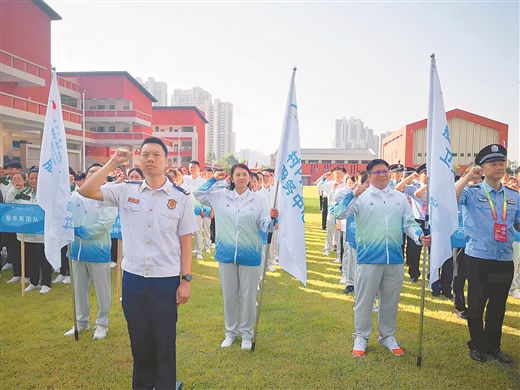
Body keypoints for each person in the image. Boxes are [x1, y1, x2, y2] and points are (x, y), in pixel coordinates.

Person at [79, 137, 198, 389]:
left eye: (156, 154)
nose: (150, 159)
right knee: (139, 341)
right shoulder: (125, 191)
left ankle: (165, 385)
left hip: (165, 281)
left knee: (165, 341)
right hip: (133, 280)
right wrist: (112, 162)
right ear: (139, 159)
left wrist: (185, 280)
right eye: (145, 154)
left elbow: (185, 241)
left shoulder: (181, 198)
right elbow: (86, 190)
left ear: (167, 161)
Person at [335, 159, 430, 358]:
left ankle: (387, 336)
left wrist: (419, 236)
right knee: (364, 300)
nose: (382, 175)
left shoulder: (400, 197)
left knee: (390, 300)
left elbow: (409, 222)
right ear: (369, 176)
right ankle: (361, 335)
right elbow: (340, 214)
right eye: (377, 172)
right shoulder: (361, 196)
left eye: (385, 171)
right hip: (368, 257)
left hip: (394, 257)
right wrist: (353, 194)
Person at [193, 164, 278, 350]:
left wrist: (272, 219)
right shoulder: (221, 196)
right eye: (237, 174)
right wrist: (214, 179)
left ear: (249, 178)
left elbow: (265, 226)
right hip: (226, 254)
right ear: (231, 177)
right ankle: (230, 333)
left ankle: (247, 334)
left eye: (244, 174)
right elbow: (197, 194)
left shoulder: (259, 200)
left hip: (250, 254)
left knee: (248, 296)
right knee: (230, 296)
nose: (241, 177)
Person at [455, 144, 519, 364]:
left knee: (498, 305)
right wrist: (465, 178)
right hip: (478, 257)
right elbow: (450, 199)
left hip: (504, 258)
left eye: (501, 163)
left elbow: (518, 224)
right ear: (481, 167)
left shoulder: (513, 195)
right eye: (493, 163)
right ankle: (477, 345)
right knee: (476, 303)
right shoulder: (472, 193)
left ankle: (494, 346)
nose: (499, 166)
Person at [64, 164, 118, 339]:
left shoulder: (108, 198)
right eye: (91, 173)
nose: (94, 175)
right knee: (79, 289)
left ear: (104, 177)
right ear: (86, 177)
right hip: (76, 251)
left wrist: (78, 231)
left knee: (102, 289)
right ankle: (81, 322)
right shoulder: (73, 197)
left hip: (98, 251)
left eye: (98, 173)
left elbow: (104, 225)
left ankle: (102, 324)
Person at [7, 168, 53, 294]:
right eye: (31, 178)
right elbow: (9, 203)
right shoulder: (23, 192)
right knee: (30, 259)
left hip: (42, 234)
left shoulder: (48, 194)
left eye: (36, 178)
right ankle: (33, 282)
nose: (34, 181)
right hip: (26, 234)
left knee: (44, 259)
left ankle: (46, 283)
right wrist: (14, 189)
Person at [183, 160, 207, 260]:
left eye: (194, 167)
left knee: (198, 231)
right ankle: (185, 251)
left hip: (197, 209)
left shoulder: (203, 182)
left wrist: (204, 209)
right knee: (185, 231)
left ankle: (198, 251)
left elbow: (206, 197)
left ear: (198, 168)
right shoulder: (185, 179)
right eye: (191, 167)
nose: (192, 169)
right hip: (186, 208)